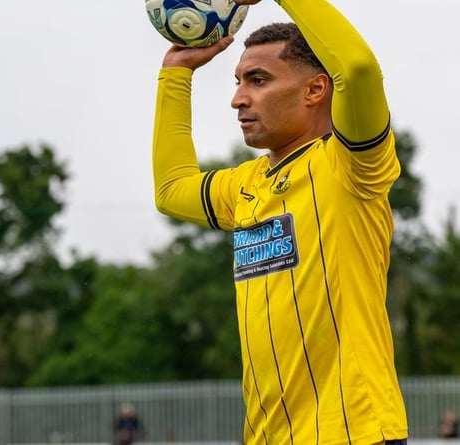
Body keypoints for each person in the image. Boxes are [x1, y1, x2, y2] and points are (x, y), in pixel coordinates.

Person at [151, 0, 408, 444]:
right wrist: (176, 74)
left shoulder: (351, 167)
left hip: (353, 432)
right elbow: (171, 190)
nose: (238, 98)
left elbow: (359, 68)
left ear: (315, 90)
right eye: (238, 82)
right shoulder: (246, 185)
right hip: (267, 436)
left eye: (258, 80)